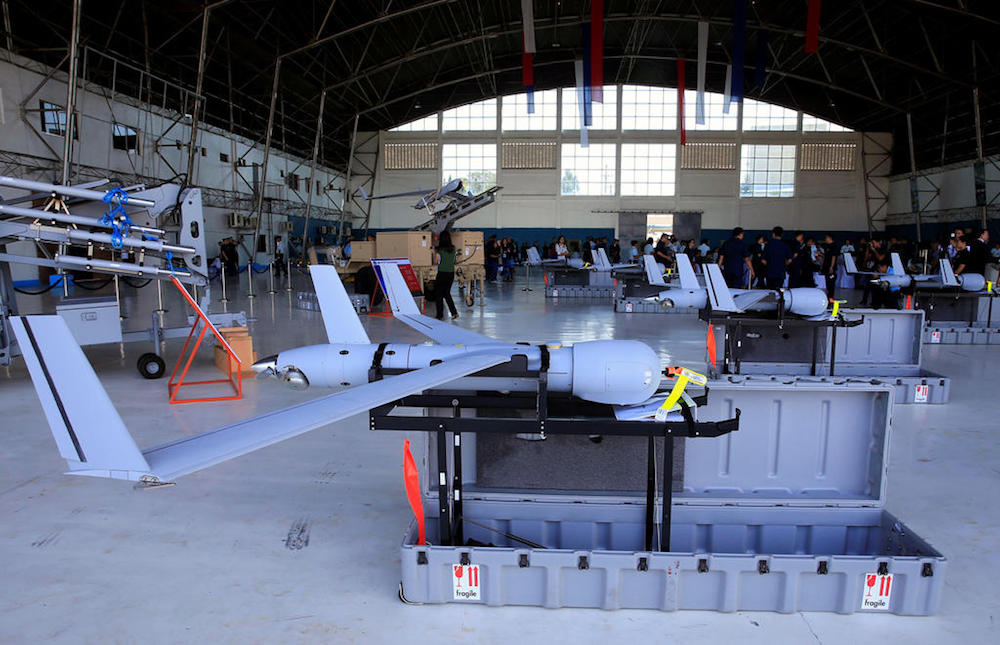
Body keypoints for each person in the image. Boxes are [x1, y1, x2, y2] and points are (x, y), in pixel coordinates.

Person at [432, 231, 459, 320]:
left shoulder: (439, 250)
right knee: (447, 293)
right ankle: (454, 313)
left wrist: (433, 253)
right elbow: (454, 260)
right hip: (451, 273)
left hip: (442, 273)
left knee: (439, 294)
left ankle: (440, 315)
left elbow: (435, 262)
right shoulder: (453, 248)